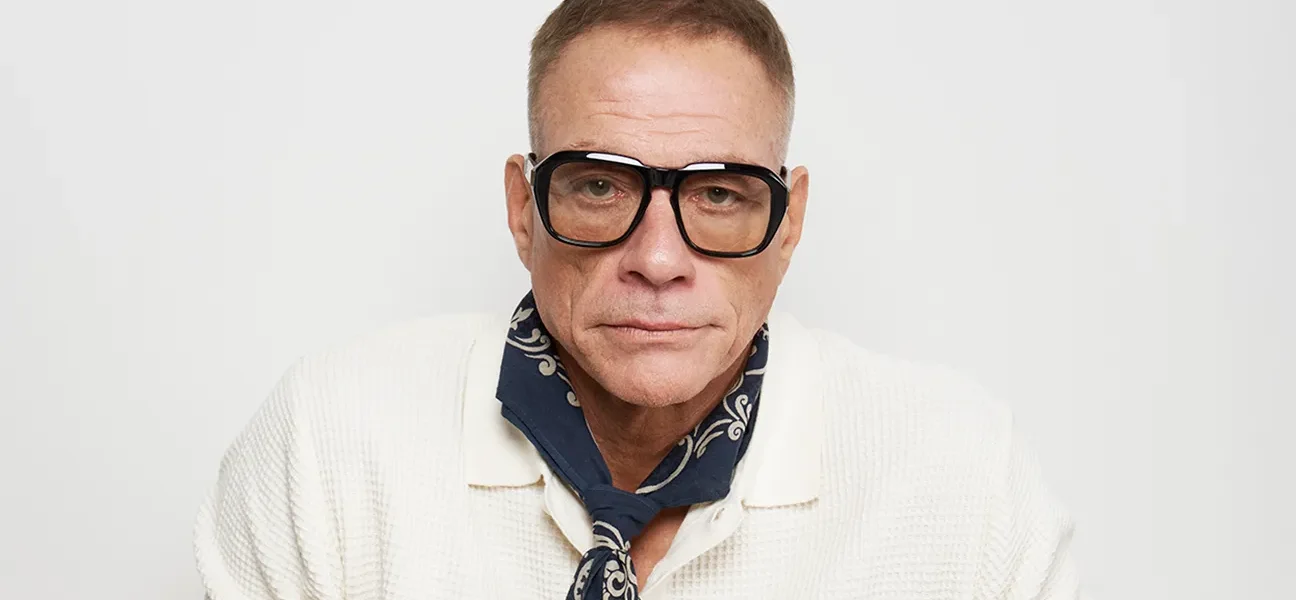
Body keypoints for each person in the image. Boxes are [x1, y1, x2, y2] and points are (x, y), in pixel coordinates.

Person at [193, 0, 1084, 598]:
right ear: (522, 209)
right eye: (598, 186)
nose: (658, 260)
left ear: (789, 222)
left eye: (721, 194)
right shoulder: (327, 451)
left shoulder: (964, 483)